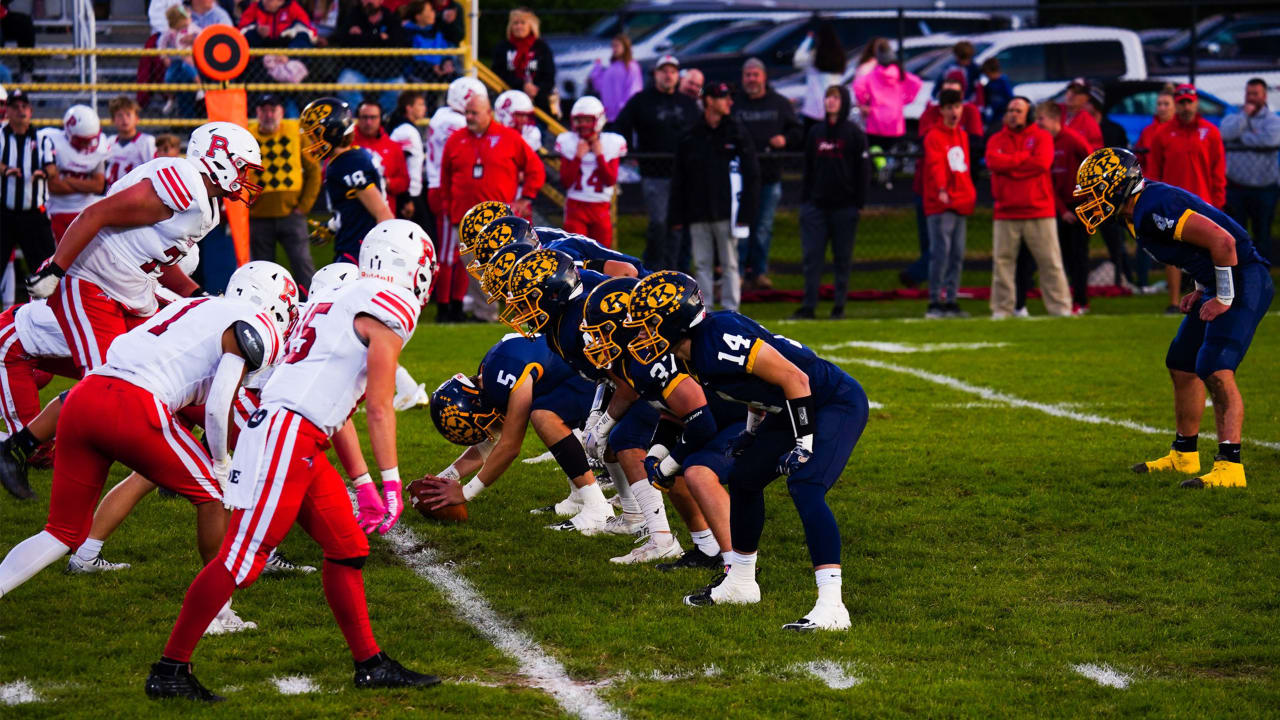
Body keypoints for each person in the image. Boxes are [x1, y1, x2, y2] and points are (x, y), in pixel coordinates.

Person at [145, 221, 441, 702]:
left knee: (347, 548)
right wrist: (390, 483)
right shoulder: (390, 303)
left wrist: (362, 484)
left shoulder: (337, 295)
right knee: (243, 558)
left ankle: (369, 663)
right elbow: (379, 406)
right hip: (288, 433)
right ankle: (170, 669)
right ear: (410, 266)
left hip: (299, 432)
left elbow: (337, 409)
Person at [0, 262, 294, 609]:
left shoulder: (190, 305)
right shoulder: (256, 324)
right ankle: (218, 612)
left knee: (60, 533)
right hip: (134, 403)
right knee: (214, 495)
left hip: (85, 395)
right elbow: (218, 405)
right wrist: (220, 461)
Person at [623, 271, 870, 630]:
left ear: (673, 320)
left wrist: (804, 443)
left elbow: (794, 378)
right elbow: (756, 389)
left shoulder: (716, 340)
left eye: (647, 325)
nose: (641, 334)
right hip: (791, 405)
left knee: (806, 486)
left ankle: (832, 605)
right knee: (743, 479)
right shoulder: (691, 352)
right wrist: (753, 431)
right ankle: (741, 582)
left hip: (832, 402)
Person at [1075, 148, 1273, 489]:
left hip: (1242, 277)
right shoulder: (1134, 210)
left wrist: (1223, 297)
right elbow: (1194, 250)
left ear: (1119, 184)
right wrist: (1200, 287)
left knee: (1214, 365)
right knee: (1181, 361)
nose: (1091, 199)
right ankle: (1184, 454)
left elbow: (1223, 241)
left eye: (1097, 189)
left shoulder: (1154, 207)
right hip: (1219, 277)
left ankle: (1231, 465)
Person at [440, 92, 545, 320]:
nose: (469, 117)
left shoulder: (509, 138)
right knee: (474, 269)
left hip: (498, 220)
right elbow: (445, 177)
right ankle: (484, 313)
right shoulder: (456, 139)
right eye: (467, 112)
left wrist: (525, 198)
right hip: (465, 219)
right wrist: (448, 206)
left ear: (489, 113)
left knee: (508, 268)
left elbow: (535, 169)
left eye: (474, 112)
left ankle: (521, 312)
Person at [669, 81, 758, 313]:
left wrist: (746, 211)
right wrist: (677, 213)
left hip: (728, 211)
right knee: (701, 263)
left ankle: (731, 310)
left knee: (730, 262)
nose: (729, 102)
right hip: (698, 211)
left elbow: (751, 173)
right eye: (724, 97)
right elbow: (680, 177)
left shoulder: (737, 132)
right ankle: (705, 311)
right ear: (709, 100)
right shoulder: (691, 134)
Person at [985, 97, 1072, 318]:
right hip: (1006, 211)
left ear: (1029, 114)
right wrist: (1023, 159)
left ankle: (1061, 308)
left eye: (1018, 110)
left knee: (1050, 262)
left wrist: (1010, 164)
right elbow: (994, 162)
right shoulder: (996, 139)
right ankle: (1002, 309)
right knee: (1002, 264)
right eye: (1010, 110)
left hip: (1038, 210)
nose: (1013, 114)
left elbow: (1042, 163)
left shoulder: (1042, 137)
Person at [613, 55, 699, 272]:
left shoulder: (688, 104)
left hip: (685, 174)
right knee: (659, 222)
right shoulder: (641, 100)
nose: (668, 75)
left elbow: (700, 133)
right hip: (654, 172)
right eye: (664, 71)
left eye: (672, 71)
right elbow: (621, 125)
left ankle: (678, 269)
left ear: (677, 76)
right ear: (656, 74)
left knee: (680, 225)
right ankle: (652, 268)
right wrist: (630, 152)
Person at [1148, 84, 1227, 314]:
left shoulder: (1210, 132)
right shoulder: (1162, 134)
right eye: (1180, 102)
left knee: (1208, 251)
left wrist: (1218, 202)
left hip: (1203, 202)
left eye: (1188, 102)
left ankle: (1213, 295)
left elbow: (1218, 170)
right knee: (1173, 252)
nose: (1185, 107)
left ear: (1195, 103)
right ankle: (1174, 301)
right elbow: (1154, 171)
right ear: (1176, 105)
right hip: (1172, 203)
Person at [793, 85, 868, 320]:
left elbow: (863, 172)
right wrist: (805, 202)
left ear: (843, 101)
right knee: (812, 258)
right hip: (816, 207)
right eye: (828, 97)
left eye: (835, 97)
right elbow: (808, 169)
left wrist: (859, 203)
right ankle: (809, 305)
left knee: (842, 259)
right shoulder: (816, 132)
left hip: (845, 208)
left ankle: (839, 306)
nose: (830, 102)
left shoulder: (854, 134)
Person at [733, 57, 802, 292]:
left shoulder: (780, 103)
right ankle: (739, 273)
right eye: (747, 75)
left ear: (764, 77)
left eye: (755, 75)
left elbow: (797, 132)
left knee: (763, 227)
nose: (751, 79)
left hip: (769, 177)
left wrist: (785, 139)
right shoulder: (734, 103)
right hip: (740, 179)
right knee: (740, 227)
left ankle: (760, 272)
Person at [302, 98, 393, 266]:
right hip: (353, 248)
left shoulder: (348, 163)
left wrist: (380, 259)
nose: (311, 142)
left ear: (330, 132)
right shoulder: (347, 159)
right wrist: (332, 226)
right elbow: (355, 207)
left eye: (314, 134)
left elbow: (382, 212)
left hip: (358, 253)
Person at [425, 77, 485, 322]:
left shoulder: (441, 116)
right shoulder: (452, 122)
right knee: (451, 253)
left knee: (458, 251)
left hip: (443, 185)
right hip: (446, 188)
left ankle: (455, 303)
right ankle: (447, 307)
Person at [248, 94, 322, 289]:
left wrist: (304, 206)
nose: (269, 115)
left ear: (281, 112)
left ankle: (312, 305)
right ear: (257, 113)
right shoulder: (248, 136)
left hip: (292, 214)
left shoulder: (296, 133)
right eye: (264, 110)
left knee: (302, 265)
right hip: (258, 217)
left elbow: (314, 171)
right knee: (262, 272)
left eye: (273, 110)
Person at [1032, 100, 1094, 314]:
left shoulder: (1073, 140)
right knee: (1061, 255)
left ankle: (1081, 301)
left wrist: (1087, 203)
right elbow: (1047, 180)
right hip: (1059, 207)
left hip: (1081, 205)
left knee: (1079, 255)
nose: (1038, 123)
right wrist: (1062, 210)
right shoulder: (1044, 142)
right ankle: (1065, 298)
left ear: (1053, 119)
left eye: (1041, 118)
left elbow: (1093, 164)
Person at [922, 89, 976, 319]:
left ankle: (951, 299)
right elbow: (936, 166)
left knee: (957, 253)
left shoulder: (962, 135)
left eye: (957, 107)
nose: (954, 112)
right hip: (941, 203)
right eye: (950, 107)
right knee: (940, 253)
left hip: (960, 200)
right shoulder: (934, 136)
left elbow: (962, 167)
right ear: (942, 110)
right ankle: (935, 300)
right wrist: (942, 189)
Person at [1221, 78, 1280, 263]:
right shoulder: (1234, 116)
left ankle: (1262, 275)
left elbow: (1270, 140)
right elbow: (1224, 134)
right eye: (1248, 94)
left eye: (1255, 94)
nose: (1251, 98)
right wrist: (1244, 118)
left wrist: (1241, 138)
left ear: (1264, 96)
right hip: (1236, 187)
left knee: (1262, 233)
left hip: (1265, 188)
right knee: (1235, 234)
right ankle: (1240, 274)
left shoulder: (1273, 120)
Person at [555, 96, 626, 248]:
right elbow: (566, 181)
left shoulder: (611, 142)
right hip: (576, 207)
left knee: (602, 255)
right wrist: (578, 157)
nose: (583, 125)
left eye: (588, 120)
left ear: (599, 120)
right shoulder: (569, 141)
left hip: (601, 207)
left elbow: (610, 180)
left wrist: (599, 156)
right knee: (575, 252)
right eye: (579, 120)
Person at [0, 89, 56, 281]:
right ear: (7, 111)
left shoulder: (42, 140)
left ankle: (47, 310)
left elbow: (53, 169)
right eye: (15, 107)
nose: (20, 111)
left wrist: (44, 173)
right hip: (4, 213)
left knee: (45, 272)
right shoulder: (0, 137)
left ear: (31, 111)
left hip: (34, 214)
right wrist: (5, 169)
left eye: (24, 106)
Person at [39, 105, 109, 242]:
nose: (88, 144)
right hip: (56, 210)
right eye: (83, 140)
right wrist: (85, 185)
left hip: (86, 210)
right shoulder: (51, 141)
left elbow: (98, 186)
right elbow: (53, 187)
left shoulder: (101, 146)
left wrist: (68, 180)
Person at [334, 0, 409, 112]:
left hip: (387, 73)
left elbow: (398, 42)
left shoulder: (391, 18)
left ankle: (380, 118)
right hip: (359, 70)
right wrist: (380, 38)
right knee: (345, 86)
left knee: (399, 89)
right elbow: (342, 40)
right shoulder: (352, 16)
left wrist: (362, 37)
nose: (368, 1)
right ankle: (362, 116)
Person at [852, 42, 923, 149]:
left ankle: (881, 166)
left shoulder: (872, 75)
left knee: (876, 157)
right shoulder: (900, 75)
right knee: (895, 158)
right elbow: (917, 83)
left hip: (875, 123)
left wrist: (863, 102)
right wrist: (906, 99)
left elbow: (857, 85)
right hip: (895, 124)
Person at [491, 7, 555, 116]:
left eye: (523, 23)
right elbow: (498, 72)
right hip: (509, 102)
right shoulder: (503, 47)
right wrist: (522, 85)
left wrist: (536, 90)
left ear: (531, 26)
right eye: (515, 23)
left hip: (538, 104)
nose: (519, 26)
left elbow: (549, 74)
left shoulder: (541, 47)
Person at [352, 100, 410, 217]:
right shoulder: (346, 144)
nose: (368, 122)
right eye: (364, 117)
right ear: (358, 119)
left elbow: (404, 181)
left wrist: (388, 183)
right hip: (354, 214)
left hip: (385, 216)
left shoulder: (393, 147)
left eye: (373, 117)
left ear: (381, 119)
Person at [388, 91, 429, 234]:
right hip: (409, 194)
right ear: (409, 108)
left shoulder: (406, 129)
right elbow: (401, 165)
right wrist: (406, 198)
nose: (424, 108)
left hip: (410, 192)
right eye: (420, 104)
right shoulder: (406, 131)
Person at [792, 20, 845, 129]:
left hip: (813, 110)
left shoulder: (813, 58)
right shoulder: (840, 58)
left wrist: (808, 39)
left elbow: (798, 59)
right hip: (833, 108)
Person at [105, 96, 157, 188]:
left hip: (135, 195)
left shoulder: (146, 141)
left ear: (137, 118)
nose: (124, 119)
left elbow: (153, 173)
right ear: (113, 120)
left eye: (128, 114)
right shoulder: (110, 141)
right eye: (119, 115)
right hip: (111, 194)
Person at [589, 33, 642, 123]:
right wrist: (597, 68)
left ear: (625, 47)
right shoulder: (612, 67)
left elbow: (634, 90)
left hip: (624, 115)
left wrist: (624, 107)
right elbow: (600, 86)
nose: (614, 49)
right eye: (613, 46)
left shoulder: (631, 66)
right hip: (609, 116)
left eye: (617, 46)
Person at [401, 1, 456, 84]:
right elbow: (411, 60)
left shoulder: (436, 32)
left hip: (437, 71)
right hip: (419, 72)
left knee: (455, 77)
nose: (433, 13)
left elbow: (445, 50)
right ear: (418, 17)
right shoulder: (407, 33)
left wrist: (447, 62)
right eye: (430, 11)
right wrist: (432, 67)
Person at [238, 0, 317, 48]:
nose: (265, 2)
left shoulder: (294, 8)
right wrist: (256, 32)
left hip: (287, 54)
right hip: (258, 58)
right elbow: (240, 34)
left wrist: (288, 55)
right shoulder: (254, 9)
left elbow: (307, 33)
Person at [1061, 78, 1103, 150]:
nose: (1072, 94)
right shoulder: (1052, 111)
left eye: (1077, 92)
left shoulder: (1090, 122)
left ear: (1086, 97)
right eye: (1070, 90)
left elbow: (1095, 151)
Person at [979, 57, 1011, 134]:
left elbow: (1010, 98)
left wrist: (1007, 114)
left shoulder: (1003, 82)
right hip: (994, 116)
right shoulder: (989, 85)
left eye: (988, 74)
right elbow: (987, 102)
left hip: (1002, 116)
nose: (987, 77)